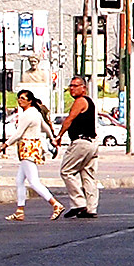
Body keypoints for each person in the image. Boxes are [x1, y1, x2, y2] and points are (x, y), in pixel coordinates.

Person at [4, 90, 62, 221]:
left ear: (29, 101)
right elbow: (46, 127)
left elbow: (18, 134)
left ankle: (55, 204)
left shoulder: (27, 114)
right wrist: (52, 138)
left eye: (23, 98)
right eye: (19, 98)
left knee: (34, 182)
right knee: (19, 180)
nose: (20, 101)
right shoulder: (35, 112)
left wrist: (4, 145)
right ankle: (20, 210)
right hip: (33, 147)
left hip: (27, 147)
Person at [54, 75, 100, 218]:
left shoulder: (81, 101)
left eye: (75, 86)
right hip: (91, 142)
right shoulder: (89, 102)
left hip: (81, 142)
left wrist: (59, 136)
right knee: (87, 174)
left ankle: (79, 203)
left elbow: (69, 119)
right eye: (71, 86)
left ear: (83, 88)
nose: (72, 89)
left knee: (66, 171)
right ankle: (91, 208)